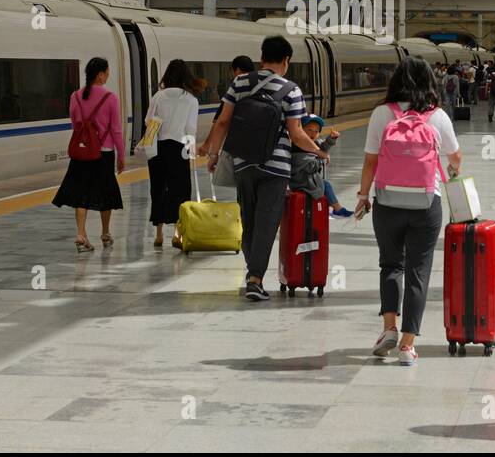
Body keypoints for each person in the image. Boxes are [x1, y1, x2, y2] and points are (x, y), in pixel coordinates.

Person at [199, 36, 325, 302]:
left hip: (243, 162)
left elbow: (222, 122)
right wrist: (317, 150)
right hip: (276, 167)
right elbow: (296, 133)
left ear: (262, 57)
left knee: (249, 219)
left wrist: (213, 154)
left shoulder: (240, 82)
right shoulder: (291, 89)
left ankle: (252, 272)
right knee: (267, 223)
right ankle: (255, 278)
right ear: (286, 60)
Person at [356, 56, 462, 366]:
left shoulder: (381, 114)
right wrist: (452, 172)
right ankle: (407, 343)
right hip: (426, 204)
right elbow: (455, 159)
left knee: (390, 264)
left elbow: (370, 161)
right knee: (419, 271)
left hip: (387, 202)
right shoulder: (438, 116)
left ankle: (388, 328)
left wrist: (364, 195)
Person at [53, 57, 125, 252]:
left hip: (82, 151)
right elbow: (116, 129)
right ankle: (105, 232)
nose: (108, 75)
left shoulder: (75, 96)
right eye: (107, 72)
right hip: (104, 152)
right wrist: (121, 155)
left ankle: (81, 233)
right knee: (105, 191)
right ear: (100, 75)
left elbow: (74, 124)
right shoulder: (110, 98)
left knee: (80, 193)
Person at [143, 58, 205, 249]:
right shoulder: (190, 100)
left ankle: (159, 233)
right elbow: (190, 128)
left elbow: (148, 121)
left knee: (158, 189)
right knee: (180, 190)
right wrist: (192, 150)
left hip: (157, 149)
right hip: (179, 149)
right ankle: (178, 234)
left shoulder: (158, 96)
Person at [295, 115, 352, 217]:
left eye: (316, 131)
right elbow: (310, 166)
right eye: (309, 130)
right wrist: (322, 160)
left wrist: (331, 139)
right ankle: (337, 209)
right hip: (300, 182)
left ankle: (337, 209)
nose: (313, 133)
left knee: (325, 184)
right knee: (325, 185)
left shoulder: (314, 143)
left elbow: (323, 148)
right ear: (301, 131)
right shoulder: (297, 149)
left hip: (309, 180)